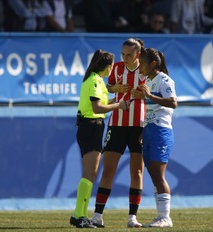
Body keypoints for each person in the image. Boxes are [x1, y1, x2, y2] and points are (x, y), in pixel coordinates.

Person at [69, 49, 130, 228]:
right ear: (108, 66)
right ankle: (79, 215)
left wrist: (115, 99)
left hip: (90, 127)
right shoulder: (96, 80)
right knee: (90, 173)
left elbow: (100, 104)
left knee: (91, 173)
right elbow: (97, 108)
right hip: (91, 126)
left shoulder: (95, 80)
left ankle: (80, 214)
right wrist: (119, 105)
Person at [91, 38, 146, 228]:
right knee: (108, 170)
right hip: (117, 124)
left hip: (139, 125)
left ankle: (132, 217)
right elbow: (108, 87)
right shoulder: (116, 68)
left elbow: (156, 94)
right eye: (123, 54)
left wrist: (145, 95)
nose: (125, 57)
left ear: (138, 54)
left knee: (137, 172)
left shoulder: (146, 69)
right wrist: (115, 88)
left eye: (129, 54)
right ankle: (98, 215)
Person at [137, 48, 177, 228]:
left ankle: (165, 217)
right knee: (153, 174)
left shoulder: (165, 80)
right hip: (149, 129)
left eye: (142, 64)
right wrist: (142, 129)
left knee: (159, 175)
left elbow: (173, 102)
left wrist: (150, 96)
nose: (140, 68)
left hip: (161, 129)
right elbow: (149, 107)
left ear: (153, 64)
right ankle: (160, 215)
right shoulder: (148, 81)